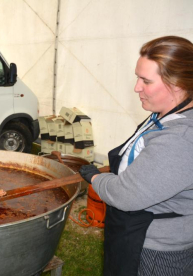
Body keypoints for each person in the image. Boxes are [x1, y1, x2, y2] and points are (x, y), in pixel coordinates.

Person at [79, 36, 193, 276]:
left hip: (154, 250)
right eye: (137, 77)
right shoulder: (165, 114)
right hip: (135, 233)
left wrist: (95, 179)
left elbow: (125, 195)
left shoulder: (181, 138)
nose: (137, 87)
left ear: (179, 84)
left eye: (146, 81)